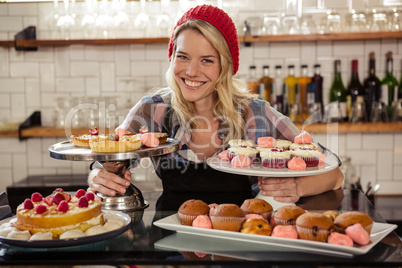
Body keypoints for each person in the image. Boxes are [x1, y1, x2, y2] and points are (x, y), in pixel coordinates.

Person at [87, 4, 344, 211]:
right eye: (183, 56)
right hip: (170, 241)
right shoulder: (153, 110)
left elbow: (334, 174)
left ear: (226, 67)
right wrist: (98, 176)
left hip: (239, 238)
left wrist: (297, 188)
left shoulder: (256, 114)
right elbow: (110, 160)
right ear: (172, 57)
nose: (191, 71)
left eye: (207, 60)